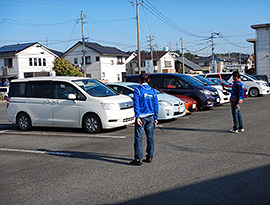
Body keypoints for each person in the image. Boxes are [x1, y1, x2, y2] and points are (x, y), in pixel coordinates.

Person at [130, 73, 159, 166]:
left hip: (141, 117)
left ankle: (138, 158)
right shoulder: (153, 91)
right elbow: (156, 105)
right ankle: (150, 156)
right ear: (148, 80)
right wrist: (156, 118)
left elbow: (136, 104)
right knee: (150, 137)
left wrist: (137, 116)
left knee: (138, 138)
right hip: (151, 116)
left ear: (139, 80)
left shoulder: (137, 90)